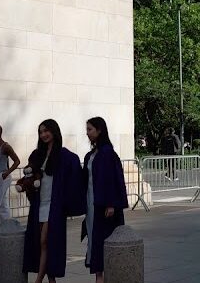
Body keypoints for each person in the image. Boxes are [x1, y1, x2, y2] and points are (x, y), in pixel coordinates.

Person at [23, 119, 86, 283]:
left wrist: (69, 203)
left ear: (54, 131)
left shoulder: (65, 156)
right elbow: (29, 177)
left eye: (46, 131)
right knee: (41, 242)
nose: (43, 134)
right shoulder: (37, 155)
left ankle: (38, 280)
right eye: (41, 132)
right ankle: (51, 280)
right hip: (39, 204)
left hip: (54, 205)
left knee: (46, 241)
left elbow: (74, 180)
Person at [83, 117, 128, 283]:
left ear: (99, 130)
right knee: (94, 240)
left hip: (104, 205)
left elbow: (111, 178)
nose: (87, 133)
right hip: (91, 203)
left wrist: (110, 203)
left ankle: (104, 277)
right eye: (87, 129)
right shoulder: (92, 154)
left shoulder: (107, 152)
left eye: (90, 129)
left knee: (103, 240)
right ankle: (99, 278)